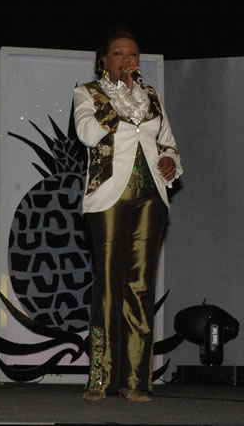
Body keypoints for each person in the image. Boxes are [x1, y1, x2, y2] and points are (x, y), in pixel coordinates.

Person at [74, 28, 182, 402]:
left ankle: (134, 379)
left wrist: (169, 161)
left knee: (139, 287)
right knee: (108, 287)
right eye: (119, 54)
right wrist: (116, 96)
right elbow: (88, 134)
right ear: (103, 59)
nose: (127, 60)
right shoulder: (88, 92)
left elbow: (166, 140)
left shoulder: (150, 96)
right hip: (108, 197)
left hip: (150, 195)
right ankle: (100, 378)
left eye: (132, 55)